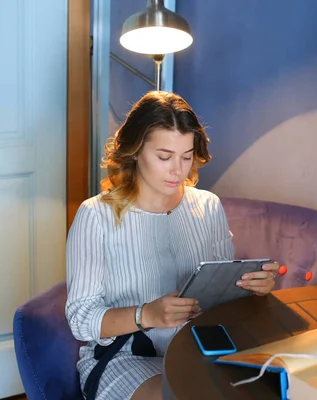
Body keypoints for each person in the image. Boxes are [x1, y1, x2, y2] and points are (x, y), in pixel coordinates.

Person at [65, 91, 279, 400]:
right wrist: (146, 315)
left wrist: (252, 289)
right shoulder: (96, 216)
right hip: (124, 357)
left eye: (186, 156)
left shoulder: (207, 206)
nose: (177, 170)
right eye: (164, 157)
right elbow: (81, 319)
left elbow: (221, 298)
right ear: (135, 151)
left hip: (197, 346)